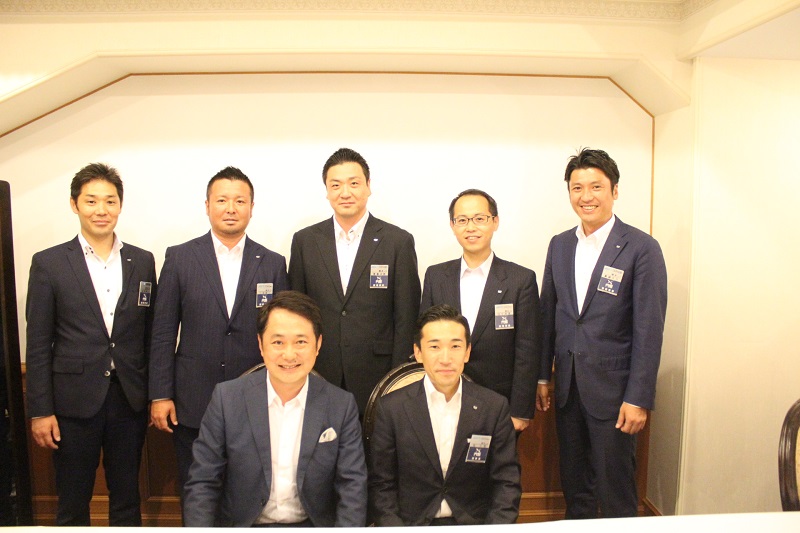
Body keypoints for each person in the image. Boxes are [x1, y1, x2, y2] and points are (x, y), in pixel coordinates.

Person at [536, 148, 667, 518]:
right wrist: (543, 376)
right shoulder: (560, 244)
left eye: (596, 186)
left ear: (615, 190)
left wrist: (638, 397)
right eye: (577, 188)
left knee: (615, 489)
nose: (586, 196)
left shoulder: (641, 248)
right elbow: (549, 314)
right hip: (568, 388)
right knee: (575, 486)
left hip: (615, 394)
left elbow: (649, 329)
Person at [148, 166, 289, 506]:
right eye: (222, 200)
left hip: (255, 398)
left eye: (239, 201)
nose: (230, 208)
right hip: (193, 399)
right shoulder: (180, 257)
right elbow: (163, 332)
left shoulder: (272, 263)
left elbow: (282, 335)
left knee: (249, 496)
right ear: (207, 205)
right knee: (197, 492)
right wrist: (160, 394)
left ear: (251, 207)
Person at [25, 163, 156, 525]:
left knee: (127, 497)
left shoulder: (142, 261)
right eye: (92, 201)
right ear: (75, 204)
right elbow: (38, 344)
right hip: (72, 401)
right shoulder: (49, 263)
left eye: (110, 201)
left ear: (120, 205)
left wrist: (152, 393)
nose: (102, 210)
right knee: (73, 499)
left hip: (128, 398)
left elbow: (148, 334)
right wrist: (40, 410)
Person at [183, 291, 367, 527]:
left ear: (318, 344)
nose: (289, 355)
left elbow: (352, 486)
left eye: (301, 342)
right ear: (261, 344)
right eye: (278, 342)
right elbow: (203, 482)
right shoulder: (227, 399)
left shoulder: (341, 405)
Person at [288, 148, 421, 415]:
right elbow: (296, 313)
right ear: (327, 191)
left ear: (368, 186)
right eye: (335, 185)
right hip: (319, 372)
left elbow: (406, 316)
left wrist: (397, 378)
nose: (345, 192)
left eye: (354, 183)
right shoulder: (305, 241)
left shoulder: (397, 242)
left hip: (378, 374)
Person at [369, 304, 521, 526]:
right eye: (434, 346)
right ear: (418, 352)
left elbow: (507, 482)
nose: (446, 358)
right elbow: (381, 485)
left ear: (467, 352)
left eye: (455, 346)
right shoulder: (392, 408)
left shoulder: (493, 407)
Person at [420, 189, 540, 432]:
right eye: (462, 220)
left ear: (495, 222)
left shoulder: (520, 280)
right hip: (443, 399)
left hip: (500, 403)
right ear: (452, 226)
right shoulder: (436, 276)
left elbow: (527, 350)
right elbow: (425, 339)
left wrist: (520, 410)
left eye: (479, 218)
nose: (470, 227)